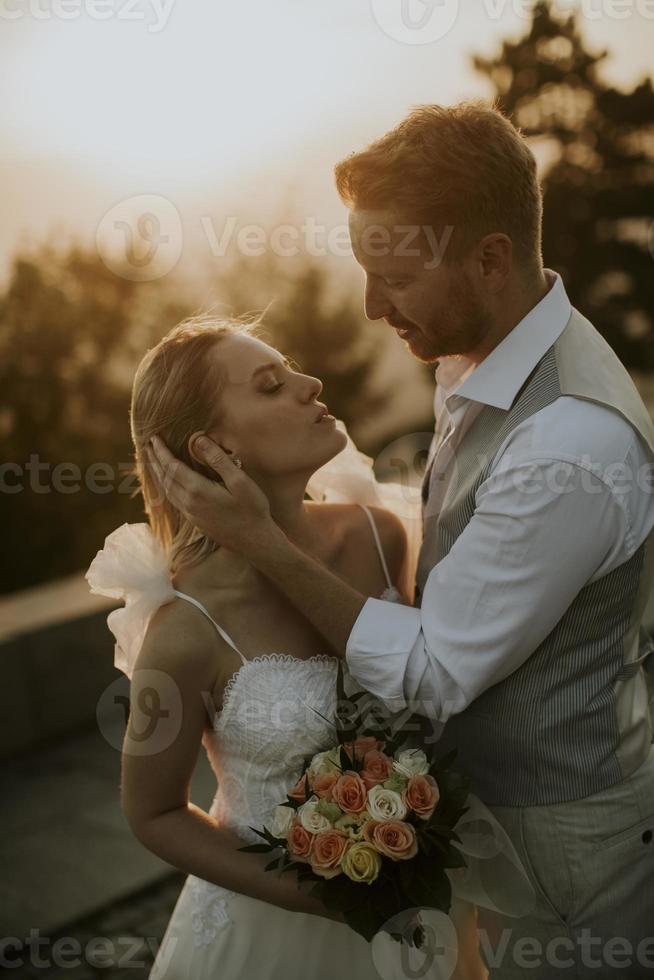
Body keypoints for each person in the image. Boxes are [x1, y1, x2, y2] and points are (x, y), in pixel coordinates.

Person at [148, 102, 654, 979]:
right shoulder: (480, 352)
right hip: (474, 876)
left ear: (491, 260)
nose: (374, 309)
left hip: (573, 875)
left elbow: (434, 672)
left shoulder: (568, 441)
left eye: (397, 280)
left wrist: (265, 543)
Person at [87, 315, 491, 979]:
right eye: (272, 387)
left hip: (430, 917)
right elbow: (153, 811)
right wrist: (328, 894)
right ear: (216, 448)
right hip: (269, 936)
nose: (311, 384)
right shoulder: (184, 628)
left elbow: (436, 686)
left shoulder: (379, 537)